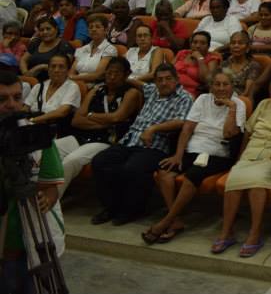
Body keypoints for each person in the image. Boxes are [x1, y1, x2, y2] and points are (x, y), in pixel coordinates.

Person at [212, 73, 271, 258]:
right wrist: (241, 155)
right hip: (252, 152)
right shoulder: (263, 105)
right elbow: (248, 131)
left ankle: (255, 234)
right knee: (234, 180)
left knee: (258, 184)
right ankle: (227, 232)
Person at [143, 70, 246, 245]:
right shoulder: (202, 99)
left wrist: (231, 108)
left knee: (192, 177)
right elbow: (188, 128)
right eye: (217, 84)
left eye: (225, 84)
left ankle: (165, 222)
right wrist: (178, 154)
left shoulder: (238, 104)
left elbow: (229, 134)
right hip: (194, 148)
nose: (221, 88)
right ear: (211, 86)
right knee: (164, 173)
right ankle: (174, 220)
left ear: (232, 86)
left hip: (218, 153)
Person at [90, 62, 193, 226]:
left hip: (156, 145)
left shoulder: (184, 98)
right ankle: (110, 208)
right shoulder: (152, 90)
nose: (164, 83)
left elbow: (182, 122)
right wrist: (119, 77)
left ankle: (132, 211)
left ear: (176, 80)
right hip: (129, 140)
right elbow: (134, 81)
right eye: (159, 79)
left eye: (168, 79)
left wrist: (154, 128)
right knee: (100, 162)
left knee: (133, 168)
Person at [0, 68, 65, 292]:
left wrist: (46, 199)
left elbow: (52, 186)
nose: (11, 105)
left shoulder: (35, 136)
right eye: (2, 99)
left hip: (32, 245)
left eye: (17, 97)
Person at [57, 57, 142, 195]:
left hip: (107, 140)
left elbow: (116, 117)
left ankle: (50, 204)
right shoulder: (97, 90)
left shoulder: (131, 93)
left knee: (71, 161)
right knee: (48, 149)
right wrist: (104, 123)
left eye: (117, 73)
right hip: (82, 135)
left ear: (126, 74)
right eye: (109, 73)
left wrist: (90, 115)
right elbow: (76, 120)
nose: (112, 77)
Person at [67, 14, 117, 84]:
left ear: (106, 30)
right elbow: (71, 72)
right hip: (76, 83)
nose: (93, 29)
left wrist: (73, 78)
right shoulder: (82, 49)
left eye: (97, 27)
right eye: (90, 27)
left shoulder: (110, 49)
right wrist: (72, 78)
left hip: (96, 85)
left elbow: (97, 75)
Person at [20, 17, 74, 81]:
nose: (45, 32)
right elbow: (23, 60)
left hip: (52, 80)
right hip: (30, 79)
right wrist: (26, 73)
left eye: (48, 29)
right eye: (41, 30)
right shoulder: (36, 42)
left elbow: (64, 66)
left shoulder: (65, 45)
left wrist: (40, 67)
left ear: (56, 29)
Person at [173, 31, 221, 97]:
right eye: (195, 42)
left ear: (208, 46)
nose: (198, 46)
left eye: (203, 43)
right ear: (191, 44)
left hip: (189, 93)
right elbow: (169, 69)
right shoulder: (183, 53)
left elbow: (207, 80)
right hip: (172, 87)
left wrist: (200, 58)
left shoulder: (212, 59)